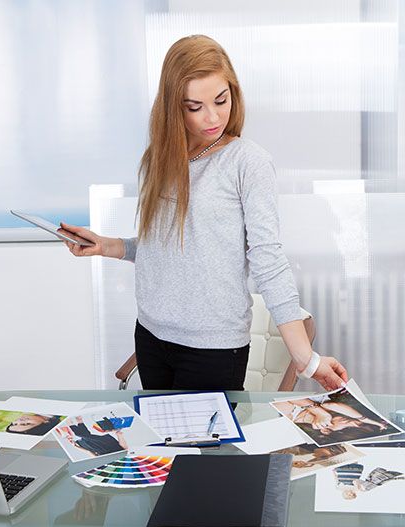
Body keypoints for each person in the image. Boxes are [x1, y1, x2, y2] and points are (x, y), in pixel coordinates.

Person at [58, 34, 348, 391]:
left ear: (234, 93)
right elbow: (167, 244)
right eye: (194, 107)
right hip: (151, 335)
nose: (212, 117)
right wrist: (108, 245)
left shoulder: (248, 163)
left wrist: (307, 359)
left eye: (221, 100)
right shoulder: (161, 159)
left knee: (204, 449)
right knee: (162, 446)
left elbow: (267, 258)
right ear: (172, 107)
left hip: (212, 348)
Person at [56, 416, 128, 457]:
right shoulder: (124, 457)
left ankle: (78, 421)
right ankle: (71, 421)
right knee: (82, 435)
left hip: (94, 448)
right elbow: (125, 448)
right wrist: (119, 435)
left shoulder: (105, 465)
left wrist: (76, 446)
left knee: (85, 435)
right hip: (108, 444)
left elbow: (89, 452)